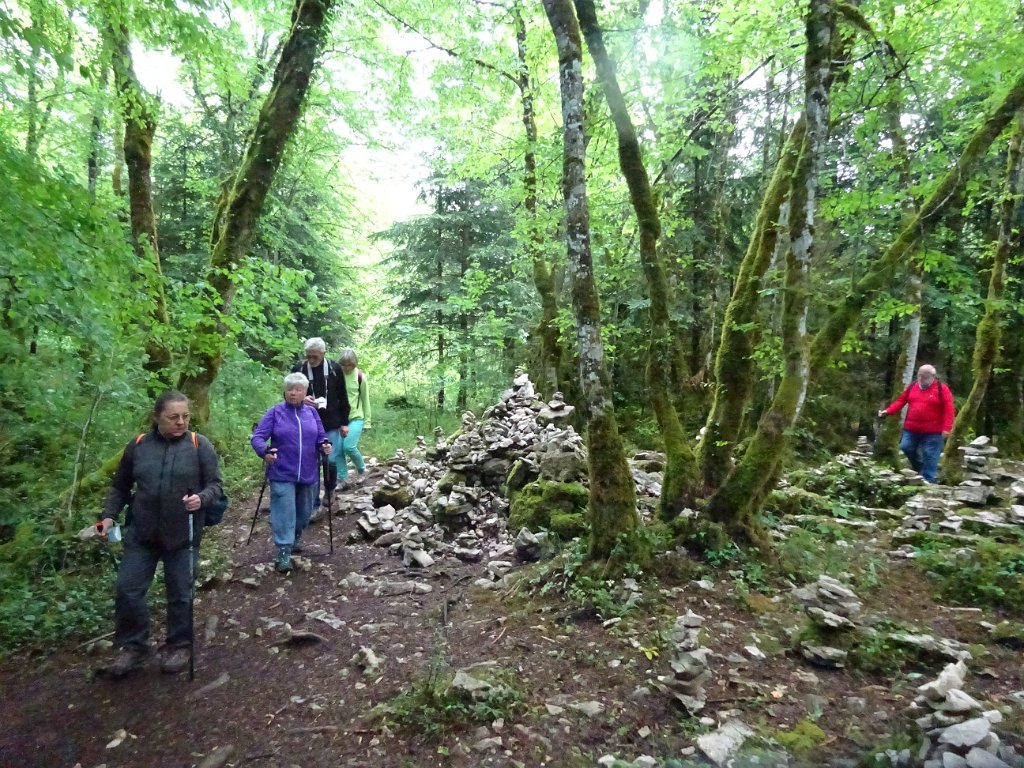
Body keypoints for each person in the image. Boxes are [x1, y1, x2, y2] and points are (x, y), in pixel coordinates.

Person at [97, 390, 223, 679]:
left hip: (182, 534)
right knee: (128, 589)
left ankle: (180, 645)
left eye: (185, 416)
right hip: (142, 533)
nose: (181, 422)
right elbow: (120, 487)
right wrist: (108, 517)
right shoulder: (139, 446)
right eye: (173, 417)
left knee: (180, 593)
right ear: (157, 417)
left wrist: (201, 499)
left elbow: (216, 485)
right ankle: (134, 646)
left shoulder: (199, 445)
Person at [251, 372, 331, 573]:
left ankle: (295, 537)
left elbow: (321, 436)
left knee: (304, 513)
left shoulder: (312, 413)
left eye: (298, 389)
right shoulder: (275, 412)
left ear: (305, 392)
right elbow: (258, 437)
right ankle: (283, 550)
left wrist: (325, 444)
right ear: (285, 391)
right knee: (284, 512)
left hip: (308, 472)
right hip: (282, 472)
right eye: (290, 389)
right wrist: (265, 452)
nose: (294, 393)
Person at [291, 337, 350, 514]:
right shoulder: (299, 369)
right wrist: (302, 399)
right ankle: (313, 502)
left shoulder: (334, 369)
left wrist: (344, 422)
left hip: (331, 421)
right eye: (308, 355)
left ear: (323, 354)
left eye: (314, 356)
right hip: (307, 422)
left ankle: (330, 489)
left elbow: (343, 395)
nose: (311, 359)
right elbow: (288, 394)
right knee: (312, 462)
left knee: (329, 459)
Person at [878, 364, 955, 484]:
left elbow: (949, 410)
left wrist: (947, 428)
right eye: (919, 375)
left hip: (933, 430)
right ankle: (920, 469)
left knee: (930, 454)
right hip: (912, 428)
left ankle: (929, 480)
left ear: (933, 376)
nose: (921, 378)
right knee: (905, 447)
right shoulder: (913, 386)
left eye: (925, 376)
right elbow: (901, 400)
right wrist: (888, 411)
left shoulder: (942, 389)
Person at [337, 348, 372, 490]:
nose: (347, 368)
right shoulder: (336, 375)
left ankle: (362, 470)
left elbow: (365, 400)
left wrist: (367, 422)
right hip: (339, 419)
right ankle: (342, 479)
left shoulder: (360, 377)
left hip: (356, 417)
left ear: (354, 364)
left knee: (348, 446)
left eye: (350, 365)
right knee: (338, 449)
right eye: (344, 365)